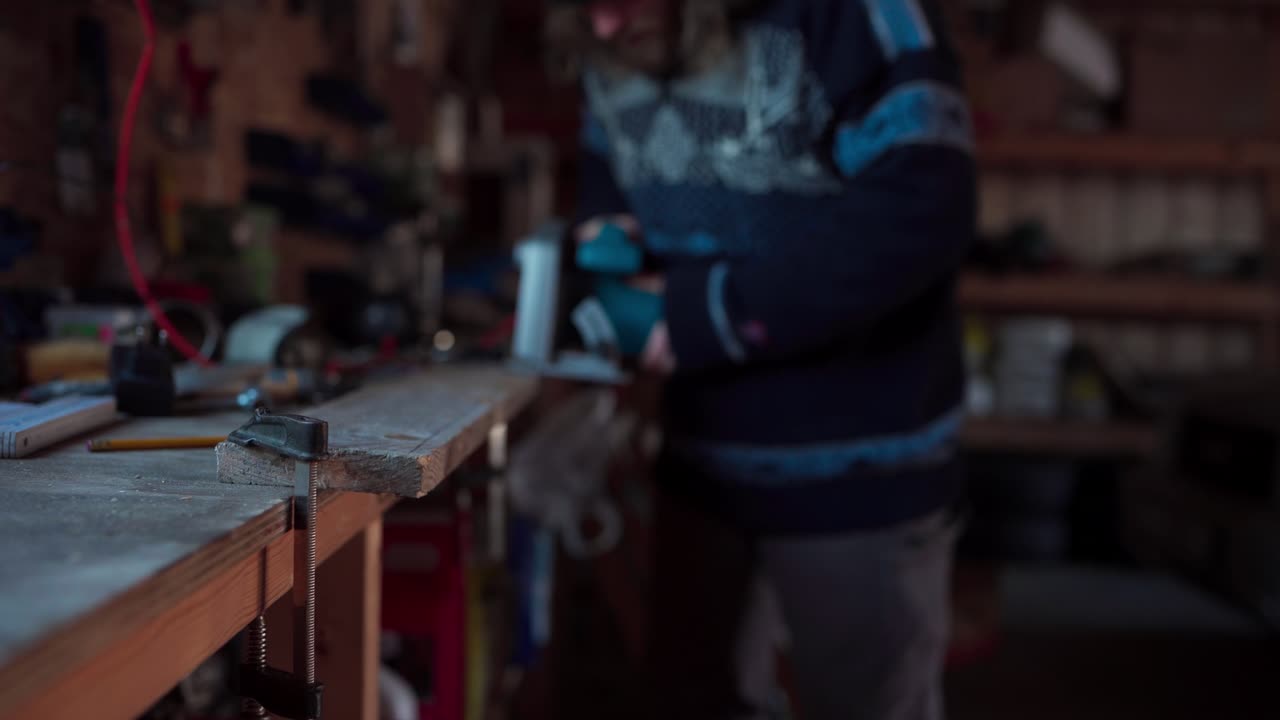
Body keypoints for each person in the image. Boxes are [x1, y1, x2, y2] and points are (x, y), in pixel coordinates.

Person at [556, 0, 975, 717]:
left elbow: (921, 210)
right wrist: (608, 235)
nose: (601, 27)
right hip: (701, 462)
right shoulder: (607, 29)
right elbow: (607, 163)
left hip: (856, 467)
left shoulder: (857, 16)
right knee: (690, 698)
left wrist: (704, 313)